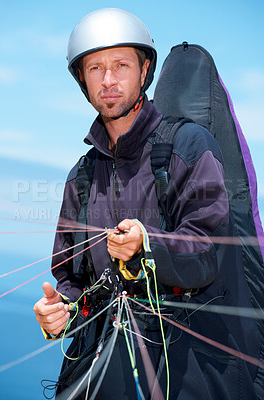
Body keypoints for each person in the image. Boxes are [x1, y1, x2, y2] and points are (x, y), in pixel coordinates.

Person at [33, 8, 260, 399]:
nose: (107, 80)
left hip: (190, 367)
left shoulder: (189, 146)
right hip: (104, 366)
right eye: (94, 69)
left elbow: (208, 248)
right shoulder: (82, 177)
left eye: (121, 65)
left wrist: (147, 243)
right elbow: (72, 279)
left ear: (144, 71)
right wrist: (61, 314)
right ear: (82, 81)